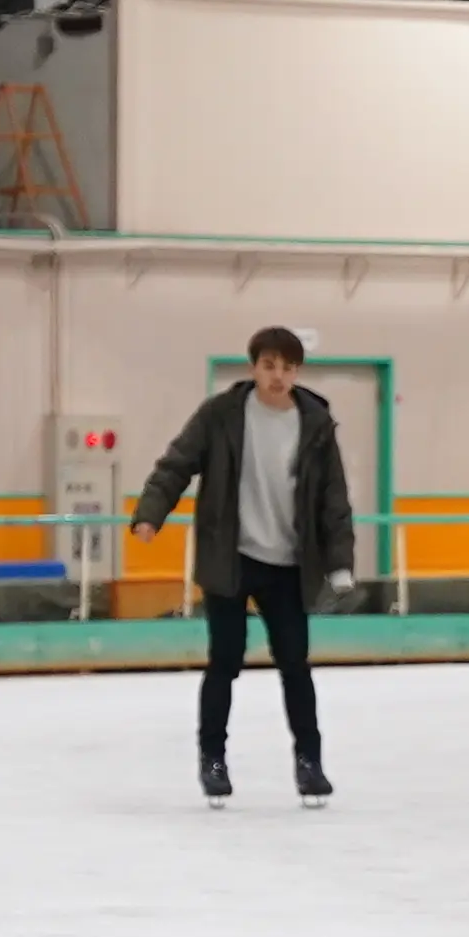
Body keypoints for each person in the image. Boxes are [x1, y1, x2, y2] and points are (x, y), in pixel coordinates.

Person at [132, 330, 353, 806]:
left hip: (288, 564)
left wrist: (340, 563)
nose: (279, 376)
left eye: (288, 368)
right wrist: (151, 512)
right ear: (253, 367)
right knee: (224, 662)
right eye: (270, 365)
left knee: (296, 665)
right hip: (229, 557)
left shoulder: (315, 423)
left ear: (297, 372)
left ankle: (310, 763)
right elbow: (177, 463)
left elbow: (334, 500)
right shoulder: (221, 415)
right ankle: (213, 760)